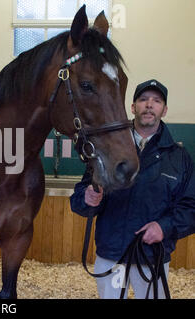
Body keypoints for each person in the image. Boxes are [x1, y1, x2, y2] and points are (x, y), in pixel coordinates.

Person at [70, 79, 195, 299]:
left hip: (152, 256)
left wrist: (164, 227)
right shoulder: (107, 150)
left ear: (164, 110)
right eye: (143, 99)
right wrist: (86, 198)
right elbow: (80, 196)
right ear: (132, 107)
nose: (149, 105)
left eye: (156, 101)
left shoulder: (179, 158)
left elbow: (191, 208)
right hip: (112, 255)